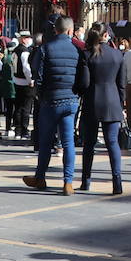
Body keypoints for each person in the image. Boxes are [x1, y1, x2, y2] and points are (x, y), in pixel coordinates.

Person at [25, 16, 88, 195]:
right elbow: (83, 76)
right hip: (70, 100)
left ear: (55, 30)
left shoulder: (45, 49)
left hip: (50, 100)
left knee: (45, 142)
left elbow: (38, 75)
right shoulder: (78, 49)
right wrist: (76, 93)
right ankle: (68, 182)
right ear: (70, 31)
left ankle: (40, 177)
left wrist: (41, 94)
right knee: (68, 142)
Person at [79, 27, 126, 194]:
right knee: (112, 143)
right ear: (106, 35)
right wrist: (121, 104)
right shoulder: (117, 55)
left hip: (92, 100)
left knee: (89, 144)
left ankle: (86, 180)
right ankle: (117, 182)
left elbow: (84, 83)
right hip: (112, 101)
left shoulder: (86, 55)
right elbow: (121, 84)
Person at [10, 30, 37, 140]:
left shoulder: (15, 50)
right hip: (25, 82)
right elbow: (26, 68)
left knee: (18, 106)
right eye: (27, 38)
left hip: (17, 80)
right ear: (23, 39)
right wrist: (31, 79)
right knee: (26, 107)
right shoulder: (24, 52)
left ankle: (17, 130)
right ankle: (24, 130)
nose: (29, 40)